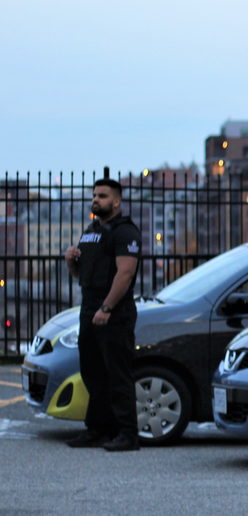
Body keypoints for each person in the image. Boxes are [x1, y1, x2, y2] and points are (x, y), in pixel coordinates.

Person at [63, 178, 143, 452]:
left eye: (103, 196)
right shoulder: (91, 230)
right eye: (95, 195)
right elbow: (81, 276)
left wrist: (106, 308)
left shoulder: (125, 232)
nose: (96, 199)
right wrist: (71, 262)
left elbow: (126, 273)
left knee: (118, 374)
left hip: (114, 313)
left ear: (116, 201)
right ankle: (98, 430)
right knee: (93, 373)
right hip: (89, 308)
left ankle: (127, 434)